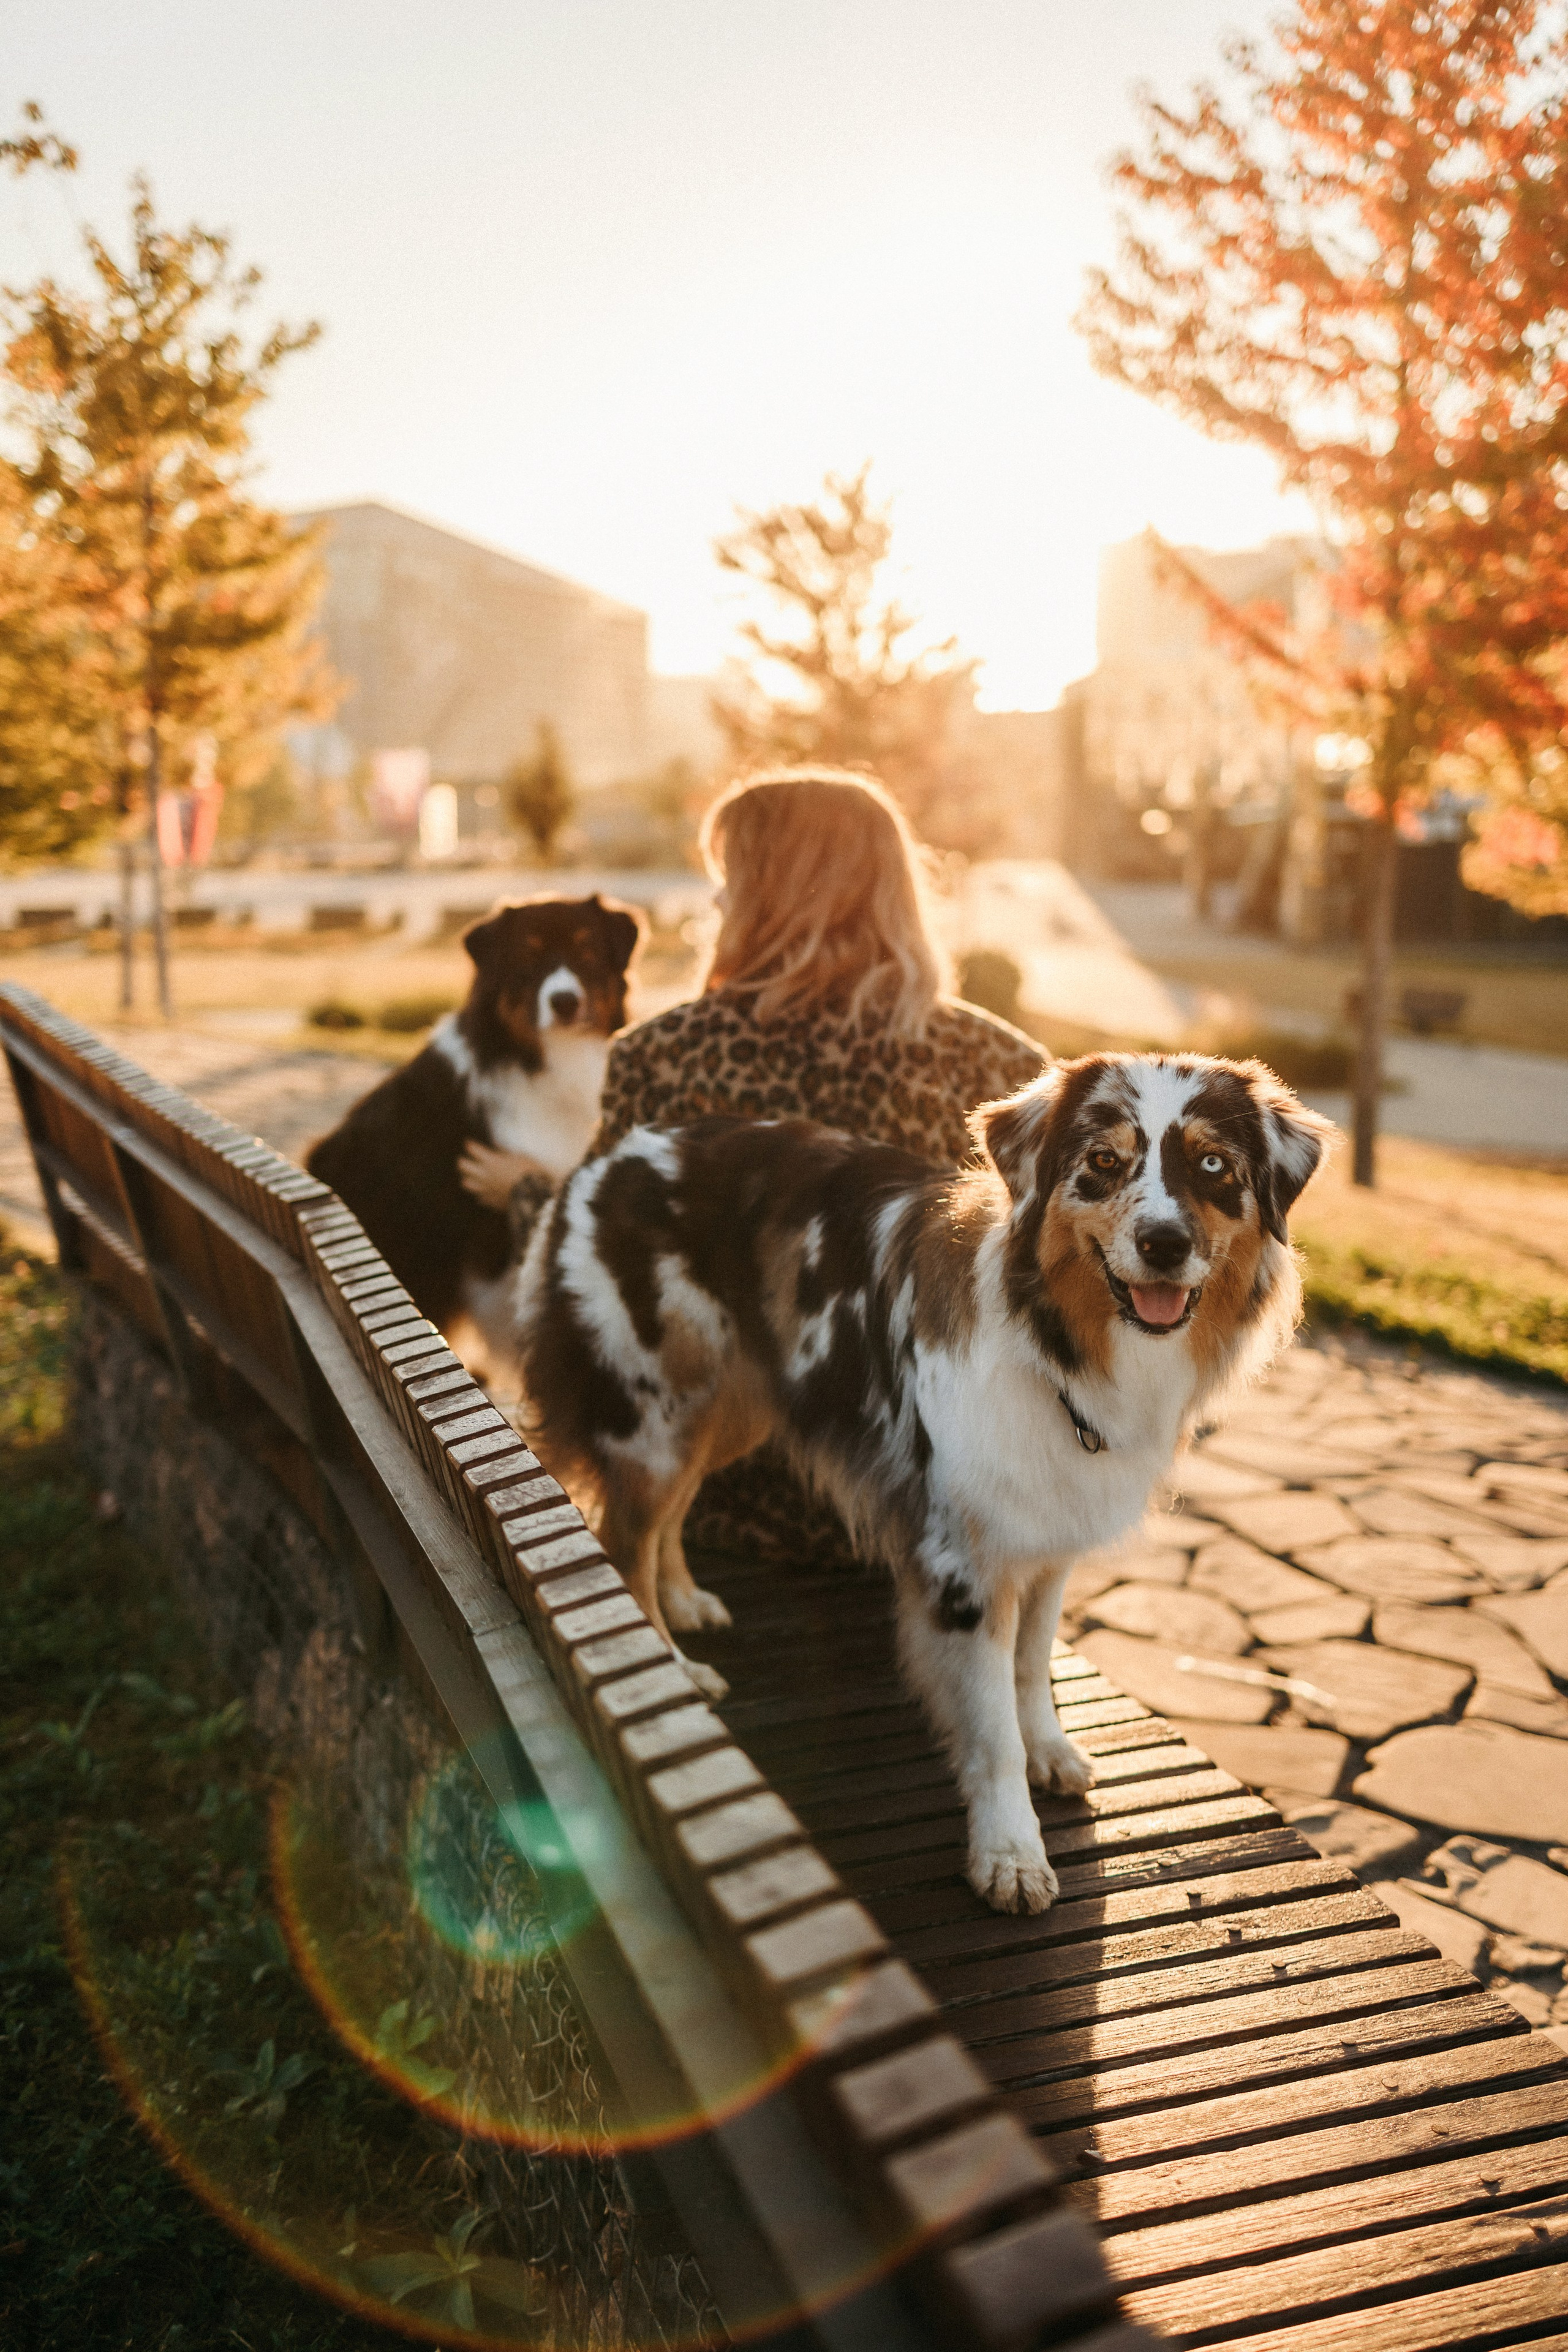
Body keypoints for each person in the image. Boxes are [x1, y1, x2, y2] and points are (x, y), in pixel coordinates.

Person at [459, 766, 1050, 1564]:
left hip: (715, 1508)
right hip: (932, 1510)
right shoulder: (1002, 1070)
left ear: (766, 899)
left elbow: (595, 1278)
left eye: (727, 880)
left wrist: (527, 1192)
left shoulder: (664, 1057)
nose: (714, 903)